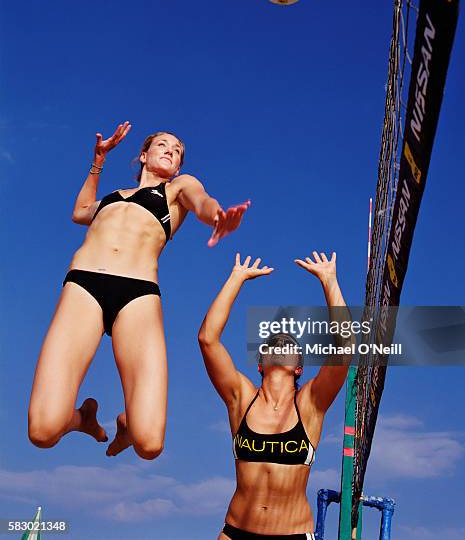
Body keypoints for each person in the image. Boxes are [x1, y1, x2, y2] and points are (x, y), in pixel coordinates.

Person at [28, 122, 250, 460]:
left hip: (138, 295)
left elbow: (202, 201)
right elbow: (79, 212)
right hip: (83, 286)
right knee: (42, 431)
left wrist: (217, 217)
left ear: (178, 166)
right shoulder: (111, 199)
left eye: (176, 151)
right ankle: (82, 419)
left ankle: (127, 425)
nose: (170, 151)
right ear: (144, 156)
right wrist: (98, 160)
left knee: (149, 444)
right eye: (163, 145)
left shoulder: (177, 189)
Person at [198, 251, 352, 540]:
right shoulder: (241, 397)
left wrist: (329, 280)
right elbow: (207, 339)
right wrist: (236, 278)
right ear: (260, 364)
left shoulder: (310, 403)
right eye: (273, 342)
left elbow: (345, 348)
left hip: (292, 534)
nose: (281, 342)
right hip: (236, 532)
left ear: (298, 368)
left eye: (289, 343)